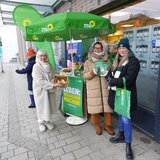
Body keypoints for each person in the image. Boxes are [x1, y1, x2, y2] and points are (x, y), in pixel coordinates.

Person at [107, 38, 140, 160]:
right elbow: (111, 73)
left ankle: (128, 145)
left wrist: (113, 81)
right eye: (120, 48)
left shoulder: (133, 61)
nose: (121, 50)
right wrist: (108, 75)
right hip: (117, 94)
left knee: (126, 120)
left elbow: (129, 78)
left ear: (128, 49)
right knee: (120, 115)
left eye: (124, 48)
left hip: (126, 95)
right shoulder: (117, 60)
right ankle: (120, 135)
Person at [83, 42, 114, 135]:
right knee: (95, 109)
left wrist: (107, 74)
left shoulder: (107, 61)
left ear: (102, 49)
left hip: (105, 88)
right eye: (96, 48)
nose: (97, 50)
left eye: (99, 48)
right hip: (93, 89)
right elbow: (84, 76)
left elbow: (111, 73)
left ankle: (107, 125)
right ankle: (97, 125)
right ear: (93, 49)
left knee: (107, 108)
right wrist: (92, 72)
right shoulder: (88, 62)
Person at [32, 50, 62, 133]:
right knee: (41, 107)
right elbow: (40, 81)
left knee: (48, 106)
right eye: (41, 56)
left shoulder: (49, 65)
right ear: (38, 57)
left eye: (44, 55)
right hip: (41, 91)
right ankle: (41, 122)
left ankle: (47, 121)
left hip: (49, 90)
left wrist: (57, 80)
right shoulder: (36, 66)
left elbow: (53, 76)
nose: (43, 57)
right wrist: (52, 85)